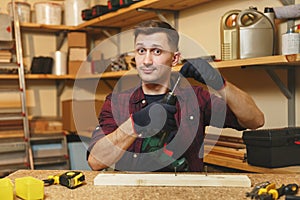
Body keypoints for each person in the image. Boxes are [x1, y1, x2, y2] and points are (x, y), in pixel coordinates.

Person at [87, 20, 265, 172]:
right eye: (141, 51)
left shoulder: (196, 98)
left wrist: (221, 84)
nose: (147, 61)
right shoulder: (117, 102)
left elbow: (255, 120)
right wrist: (136, 124)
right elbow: (95, 162)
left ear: (174, 59)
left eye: (157, 51)